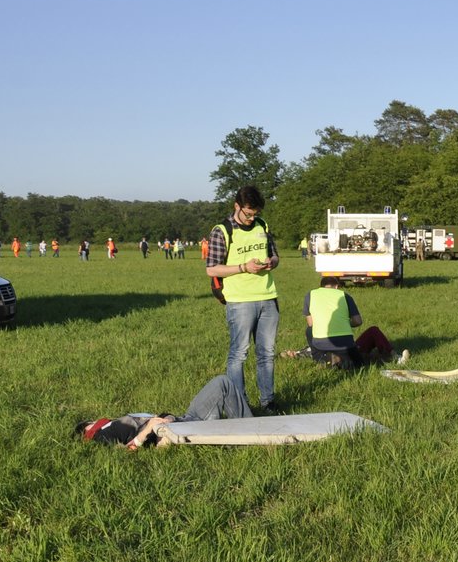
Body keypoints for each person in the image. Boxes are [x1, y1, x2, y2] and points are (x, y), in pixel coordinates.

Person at [207, 185, 282, 414]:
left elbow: (275, 254)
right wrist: (243, 267)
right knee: (239, 353)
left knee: (267, 353)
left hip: (268, 297)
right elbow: (212, 270)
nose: (251, 218)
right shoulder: (222, 230)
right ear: (236, 206)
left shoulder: (262, 225)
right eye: (248, 213)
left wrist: (272, 262)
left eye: (255, 213)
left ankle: (268, 401)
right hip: (240, 301)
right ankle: (239, 405)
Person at [76, 373, 253, 450]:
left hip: (183, 419)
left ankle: (252, 429)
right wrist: (148, 430)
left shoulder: (109, 424)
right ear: (87, 428)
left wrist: (163, 418)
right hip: (179, 429)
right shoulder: (100, 436)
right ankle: (252, 437)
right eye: (90, 421)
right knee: (222, 383)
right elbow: (124, 451)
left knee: (222, 382)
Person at [300, 276, 398, 369]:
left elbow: (311, 324)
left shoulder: (310, 295)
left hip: (321, 344)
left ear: (321, 287)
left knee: (309, 331)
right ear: (337, 286)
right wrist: (346, 324)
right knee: (372, 332)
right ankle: (393, 355)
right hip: (346, 343)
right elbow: (358, 321)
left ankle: (321, 359)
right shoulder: (344, 295)